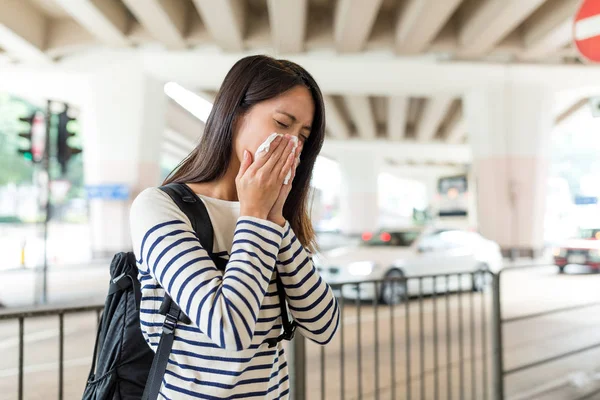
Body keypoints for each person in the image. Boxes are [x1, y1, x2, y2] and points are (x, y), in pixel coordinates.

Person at [129, 55, 340, 399]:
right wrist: (255, 215)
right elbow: (229, 330)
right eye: (283, 123)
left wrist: (272, 217)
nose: (293, 146)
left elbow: (325, 325)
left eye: (303, 136)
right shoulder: (159, 207)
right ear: (235, 114)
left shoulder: (273, 221)